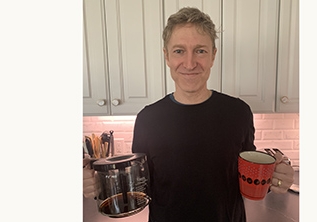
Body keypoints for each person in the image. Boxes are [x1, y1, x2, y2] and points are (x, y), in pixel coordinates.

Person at [83, 7, 294, 222]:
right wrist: (101, 186)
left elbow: (250, 178)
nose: (190, 63)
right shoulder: (148, 119)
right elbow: (139, 186)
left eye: (200, 50)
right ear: (166, 56)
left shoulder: (238, 112)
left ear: (213, 55)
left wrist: (276, 179)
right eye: (179, 51)